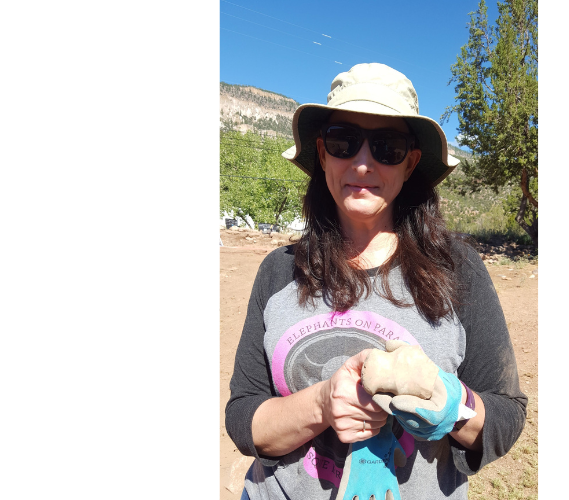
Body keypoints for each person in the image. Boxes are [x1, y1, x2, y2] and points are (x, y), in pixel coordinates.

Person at [225, 63, 527, 500]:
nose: (363, 163)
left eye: (386, 146)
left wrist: (449, 403)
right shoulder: (279, 270)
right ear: (323, 153)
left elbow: (506, 415)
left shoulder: (459, 270)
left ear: (410, 162)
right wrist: (322, 403)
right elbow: (243, 418)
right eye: (343, 140)